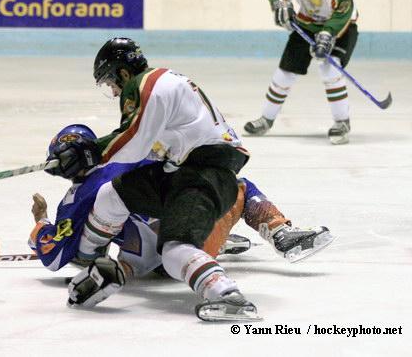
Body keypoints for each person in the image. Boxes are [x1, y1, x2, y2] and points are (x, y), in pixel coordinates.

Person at [33, 124, 332, 320]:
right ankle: (280, 231)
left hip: (158, 260)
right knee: (235, 186)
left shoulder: (76, 198)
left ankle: (200, 255)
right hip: (199, 224)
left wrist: (40, 223)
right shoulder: (133, 154)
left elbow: (55, 256)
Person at [244, 0, 359, 145]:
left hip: (341, 27)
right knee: (284, 73)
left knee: (329, 70)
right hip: (306, 24)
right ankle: (266, 119)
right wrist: (280, 4)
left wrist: (328, 34)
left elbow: (344, 9)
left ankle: (342, 122)